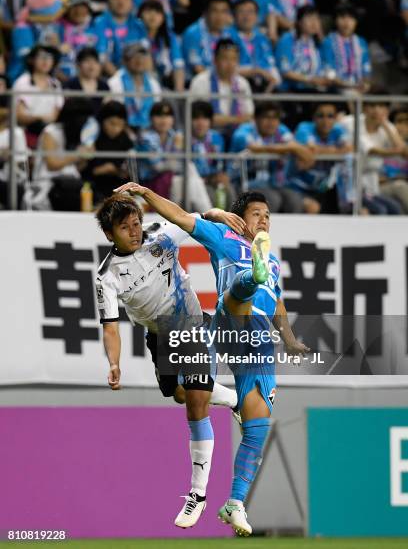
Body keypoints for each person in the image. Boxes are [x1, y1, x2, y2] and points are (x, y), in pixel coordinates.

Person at [114, 183, 309, 535]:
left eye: (268, 216)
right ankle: (251, 276)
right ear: (239, 219)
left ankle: (234, 504)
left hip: (259, 342)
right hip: (229, 322)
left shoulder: (276, 263)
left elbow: (278, 302)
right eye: (256, 215)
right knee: (237, 302)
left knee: (258, 422)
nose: (263, 220)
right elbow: (179, 217)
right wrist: (145, 192)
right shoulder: (224, 235)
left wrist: (291, 339)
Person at [94, 192, 245, 528]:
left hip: (190, 324)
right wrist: (114, 363)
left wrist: (217, 213)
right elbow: (110, 327)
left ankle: (198, 494)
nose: (134, 232)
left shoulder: (161, 233)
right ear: (109, 234)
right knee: (179, 394)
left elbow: (193, 218)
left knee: (195, 404)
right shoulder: (107, 276)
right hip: (160, 336)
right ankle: (234, 399)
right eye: (125, 228)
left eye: (136, 223)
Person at [230, 101, 311, 213]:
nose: (271, 122)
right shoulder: (243, 131)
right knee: (272, 199)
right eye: (266, 117)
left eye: (275, 118)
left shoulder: (281, 130)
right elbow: (255, 148)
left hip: (276, 184)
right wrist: (288, 148)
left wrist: (295, 149)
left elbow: (302, 152)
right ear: (255, 119)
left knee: (295, 200)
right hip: (246, 184)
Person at [138, 100, 212, 211]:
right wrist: (177, 148)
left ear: (173, 119)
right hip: (150, 184)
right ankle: (208, 214)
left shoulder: (174, 135)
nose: (163, 120)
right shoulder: (146, 138)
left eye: (168, 116)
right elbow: (158, 167)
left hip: (171, 181)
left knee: (188, 178)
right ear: (151, 118)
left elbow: (185, 164)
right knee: (187, 177)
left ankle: (203, 213)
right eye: (159, 116)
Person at [341, 95, 406, 214]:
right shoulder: (351, 122)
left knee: (396, 209)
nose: (376, 110)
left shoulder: (387, 126)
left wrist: (385, 125)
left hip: (372, 185)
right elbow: (371, 150)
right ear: (364, 108)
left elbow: (403, 150)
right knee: (381, 210)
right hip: (351, 184)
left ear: (387, 111)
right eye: (372, 106)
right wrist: (395, 152)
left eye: (381, 106)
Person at [288, 102, 353, 214]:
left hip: (323, 189)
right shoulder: (304, 128)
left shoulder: (338, 130)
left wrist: (322, 151)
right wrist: (335, 150)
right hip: (298, 188)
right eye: (320, 116)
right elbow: (310, 151)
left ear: (335, 118)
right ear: (313, 118)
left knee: (349, 158)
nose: (325, 121)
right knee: (312, 208)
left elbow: (349, 149)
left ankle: (348, 201)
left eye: (330, 116)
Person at [30, 98, 95, 210]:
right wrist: (77, 154)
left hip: (73, 182)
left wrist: (86, 157)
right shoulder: (51, 132)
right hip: (48, 184)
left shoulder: (79, 135)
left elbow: (77, 168)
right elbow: (52, 164)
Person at [189, 38, 254, 133]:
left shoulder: (242, 83)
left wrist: (224, 120)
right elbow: (201, 119)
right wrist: (235, 119)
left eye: (234, 59)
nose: (230, 64)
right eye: (225, 58)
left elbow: (249, 116)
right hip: (208, 134)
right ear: (215, 60)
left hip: (236, 134)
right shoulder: (200, 81)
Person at [8, 0, 65, 82]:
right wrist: (55, 49)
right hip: (22, 78)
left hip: (46, 78)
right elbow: (27, 58)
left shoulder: (54, 26)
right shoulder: (22, 29)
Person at [13, 44, 64, 148]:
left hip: (49, 133)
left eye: (49, 57)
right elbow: (19, 116)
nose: (45, 61)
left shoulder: (56, 84)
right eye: (41, 56)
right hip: (26, 131)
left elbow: (56, 114)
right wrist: (38, 118)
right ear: (32, 60)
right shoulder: (22, 82)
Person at [82, 101, 132, 203]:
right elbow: (85, 167)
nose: (116, 129)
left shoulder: (126, 141)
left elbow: (128, 172)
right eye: (112, 123)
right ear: (102, 120)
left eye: (120, 124)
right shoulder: (93, 137)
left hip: (118, 187)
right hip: (94, 186)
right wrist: (98, 170)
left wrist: (117, 171)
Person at [93, 0, 147, 77]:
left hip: (136, 76)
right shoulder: (99, 23)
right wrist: (120, 81)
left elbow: (146, 56)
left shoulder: (139, 25)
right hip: (109, 77)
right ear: (108, 1)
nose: (120, 0)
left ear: (132, 2)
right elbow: (102, 58)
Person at [228, 0, 281, 92]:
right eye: (241, 12)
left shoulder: (262, 38)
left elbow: (271, 66)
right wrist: (255, 71)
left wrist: (272, 83)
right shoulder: (228, 37)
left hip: (264, 85)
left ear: (257, 16)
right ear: (234, 16)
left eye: (250, 12)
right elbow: (226, 69)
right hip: (237, 83)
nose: (246, 16)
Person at [108, 40, 162, 132]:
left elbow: (157, 111)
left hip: (149, 131)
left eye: (142, 56)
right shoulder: (115, 82)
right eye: (134, 57)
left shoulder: (153, 83)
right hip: (122, 130)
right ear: (125, 60)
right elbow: (113, 113)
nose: (139, 60)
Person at [191, 100, 236, 208]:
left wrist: (224, 175)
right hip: (196, 183)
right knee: (209, 195)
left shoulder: (217, 137)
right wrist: (209, 179)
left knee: (230, 191)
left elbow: (222, 164)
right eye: (196, 118)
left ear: (210, 121)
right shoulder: (183, 138)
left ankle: (233, 224)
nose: (200, 122)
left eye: (205, 118)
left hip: (214, 180)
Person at [322, 5, 371, 93]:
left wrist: (365, 83)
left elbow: (366, 67)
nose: (346, 22)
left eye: (351, 18)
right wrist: (344, 84)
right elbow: (328, 69)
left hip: (358, 86)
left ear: (356, 21)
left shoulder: (361, 42)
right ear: (335, 20)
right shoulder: (328, 41)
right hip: (336, 87)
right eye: (342, 17)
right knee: (349, 94)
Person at [182, 0, 232, 78]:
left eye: (224, 11)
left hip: (222, 81)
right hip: (196, 83)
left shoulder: (230, 34)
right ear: (205, 13)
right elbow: (197, 68)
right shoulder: (193, 33)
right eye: (215, 11)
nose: (219, 16)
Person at [138, 0, 185, 90]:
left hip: (164, 82)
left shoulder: (170, 38)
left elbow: (178, 64)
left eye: (157, 12)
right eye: (148, 11)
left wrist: (179, 93)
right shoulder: (134, 35)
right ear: (140, 16)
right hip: (141, 81)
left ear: (163, 18)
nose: (153, 15)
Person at [56, 0, 97, 81]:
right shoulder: (56, 28)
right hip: (60, 80)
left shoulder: (94, 27)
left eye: (83, 7)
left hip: (88, 81)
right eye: (74, 7)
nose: (79, 11)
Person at [64, 47, 110, 114]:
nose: (92, 66)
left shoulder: (104, 86)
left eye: (95, 62)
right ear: (78, 65)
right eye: (87, 61)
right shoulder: (70, 85)